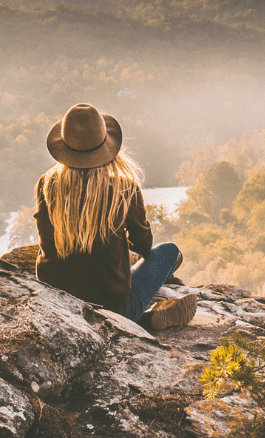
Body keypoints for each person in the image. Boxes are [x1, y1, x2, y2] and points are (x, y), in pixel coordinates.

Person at [33, 103, 196, 329]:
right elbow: (144, 246)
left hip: (56, 305)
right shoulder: (124, 188)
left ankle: (141, 319)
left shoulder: (47, 185)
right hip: (112, 308)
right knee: (169, 252)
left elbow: (44, 239)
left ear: (64, 146)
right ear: (106, 146)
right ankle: (139, 319)